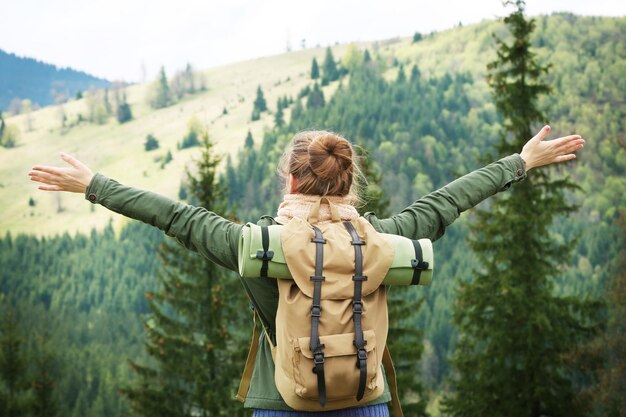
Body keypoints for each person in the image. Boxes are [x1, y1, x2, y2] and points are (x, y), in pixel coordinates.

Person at [28, 126, 584, 416]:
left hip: (282, 409)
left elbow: (179, 218)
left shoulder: (256, 247)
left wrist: (95, 185)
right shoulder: (381, 242)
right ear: (348, 182)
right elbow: (445, 203)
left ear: (290, 182)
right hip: (368, 404)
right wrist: (521, 162)